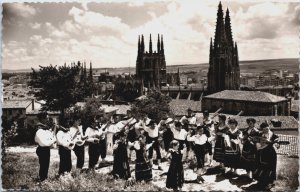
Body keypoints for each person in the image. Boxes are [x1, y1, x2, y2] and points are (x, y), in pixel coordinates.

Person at [253, 122, 279, 190]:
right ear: (262, 129)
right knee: (260, 166)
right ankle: (260, 181)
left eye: (267, 128)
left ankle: (269, 183)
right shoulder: (260, 134)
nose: (266, 130)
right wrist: (259, 145)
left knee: (270, 167)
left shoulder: (273, 136)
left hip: (270, 154)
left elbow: (277, 145)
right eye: (264, 129)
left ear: (269, 127)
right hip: (261, 153)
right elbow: (256, 141)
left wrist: (276, 144)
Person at [34, 112, 56, 182]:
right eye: (46, 118)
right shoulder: (39, 128)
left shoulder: (44, 127)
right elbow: (43, 141)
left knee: (46, 165)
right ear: (42, 119)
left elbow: (51, 136)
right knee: (43, 165)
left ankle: (44, 178)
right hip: (42, 149)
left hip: (46, 149)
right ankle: (42, 179)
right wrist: (52, 141)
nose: (48, 119)